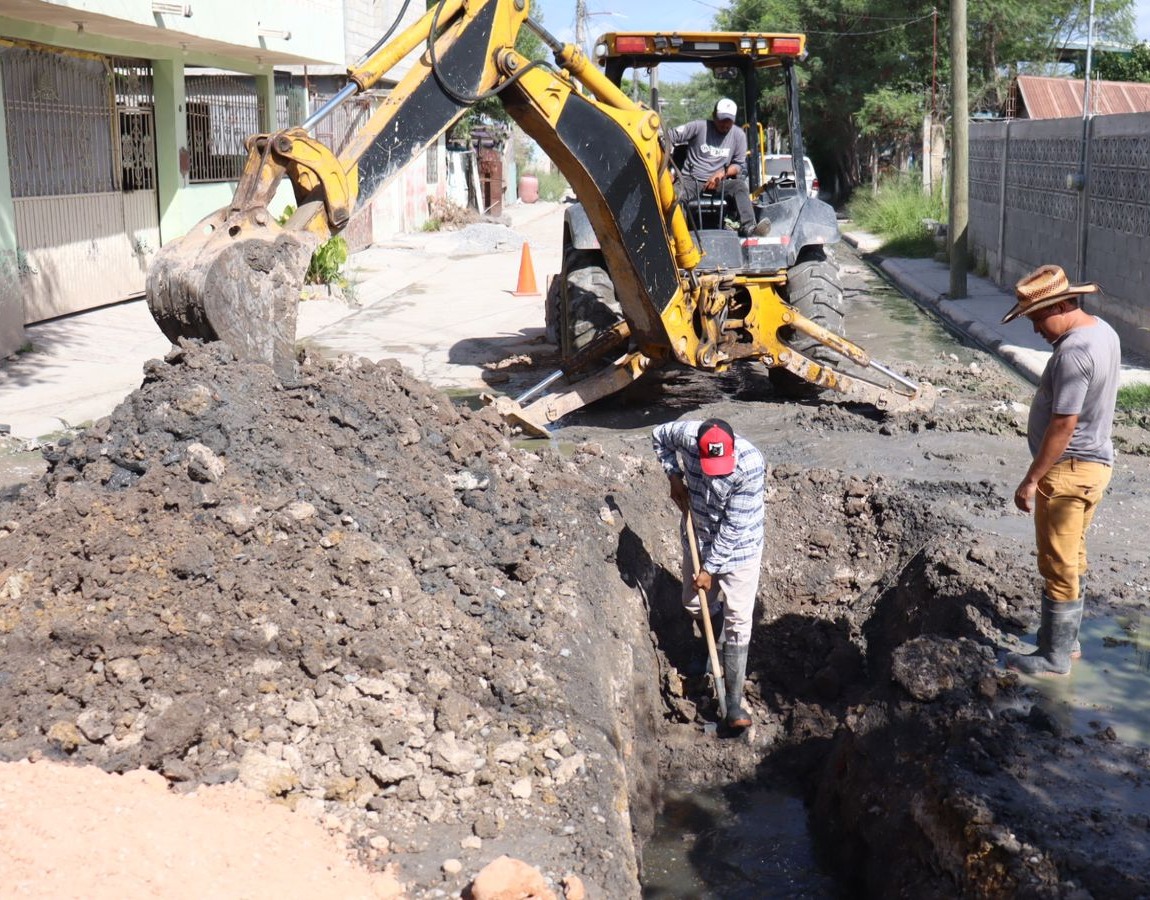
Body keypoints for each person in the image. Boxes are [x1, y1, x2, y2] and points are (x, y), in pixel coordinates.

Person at [1002, 264, 1120, 676]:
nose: (1035, 329)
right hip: (1094, 465)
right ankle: (1065, 643)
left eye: (1037, 318)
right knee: (1074, 556)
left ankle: (1054, 657)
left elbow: (1063, 423)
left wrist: (1032, 479)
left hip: (1069, 471)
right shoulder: (1102, 331)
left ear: (1063, 304)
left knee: (1057, 562)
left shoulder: (1073, 353)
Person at [652, 418, 765, 728]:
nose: (717, 477)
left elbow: (733, 528)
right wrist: (673, 476)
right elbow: (657, 435)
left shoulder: (750, 464)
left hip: (740, 547)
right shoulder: (684, 434)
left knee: (738, 619)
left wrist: (709, 570)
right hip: (699, 534)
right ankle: (711, 649)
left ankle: (733, 703)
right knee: (692, 602)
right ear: (697, 450)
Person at [668, 98, 769, 238]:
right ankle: (678, 236)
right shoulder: (698, 127)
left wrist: (722, 173)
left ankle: (749, 227)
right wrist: (667, 169)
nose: (725, 124)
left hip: (719, 182)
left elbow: (738, 165)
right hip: (691, 179)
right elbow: (667, 138)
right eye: (722, 119)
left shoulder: (738, 135)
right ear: (714, 116)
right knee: (674, 196)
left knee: (739, 185)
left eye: (729, 121)